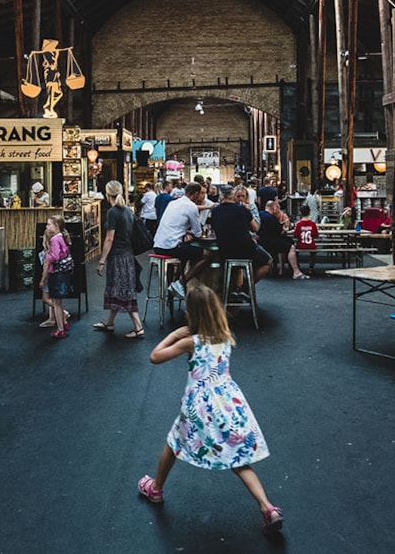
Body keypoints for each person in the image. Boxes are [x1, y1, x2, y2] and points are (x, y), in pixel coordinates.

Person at [137, 285, 283, 535]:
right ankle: (268, 508)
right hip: (228, 402)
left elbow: (155, 356)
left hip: (199, 406)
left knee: (173, 443)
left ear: (191, 313)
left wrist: (174, 334)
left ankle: (156, 490)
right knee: (238, 458)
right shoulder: (226, 336)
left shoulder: (190, 342)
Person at [92, 181, 145, 339]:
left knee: (123, 291)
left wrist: (101, 260)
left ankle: (138, 327)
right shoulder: (128, 210)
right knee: (121, 289)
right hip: (128, 256)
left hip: (117, 257)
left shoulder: (112, 212)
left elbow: (109, 239)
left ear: (108, 194)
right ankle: (110, 323)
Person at [152, 183, 213, 299]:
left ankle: (175, 284)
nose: (202, 197)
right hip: (171, 247)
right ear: (195, 194)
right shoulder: (191, 207)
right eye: (201, 194)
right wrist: (190, 233)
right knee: (208, 255)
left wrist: (186, 232)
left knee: (187, 252)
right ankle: (180, 283)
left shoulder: (173, 203)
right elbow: (198, 233)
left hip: (158, 244)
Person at [209, 185, 272, 288]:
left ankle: (232, 288)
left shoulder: (215, 211)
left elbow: (214, 228)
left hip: (224, 250)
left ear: (220, 196)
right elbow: (256, 228)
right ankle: (245, 287)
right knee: (267, 261)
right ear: (233, 196)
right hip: (245, 248)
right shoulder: (242, 209)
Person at [38, 216, 72, 339]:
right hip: (63, 273)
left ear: (56, 226)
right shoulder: (62, 238)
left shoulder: (54, 240)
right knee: (59, 302)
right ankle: (63, 323)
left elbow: (56, 257)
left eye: (49, 224)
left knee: (57, 303)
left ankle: (60, 329)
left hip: (56, 274)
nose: (47, 227)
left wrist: (48, 256)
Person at [259, 200, 308, 279]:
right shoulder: (271, 218)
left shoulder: (259, 214)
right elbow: (280, 232)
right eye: (276, 208)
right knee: (291, 247)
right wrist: (285, 226)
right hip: (271, 242)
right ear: (273, 208)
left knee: (287, 242)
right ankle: (296, 271)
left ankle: (282, 269)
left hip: (261, 241)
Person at [293, 204, 319, 272]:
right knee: (314, 251)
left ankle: (297, 266)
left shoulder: (298, 224)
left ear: (301, 213)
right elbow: (316, 235)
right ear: (309, 212)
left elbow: (295, 235)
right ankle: (311, 267)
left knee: (294, 251)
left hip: (300, 244)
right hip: (311, 245)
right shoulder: (312, 224)